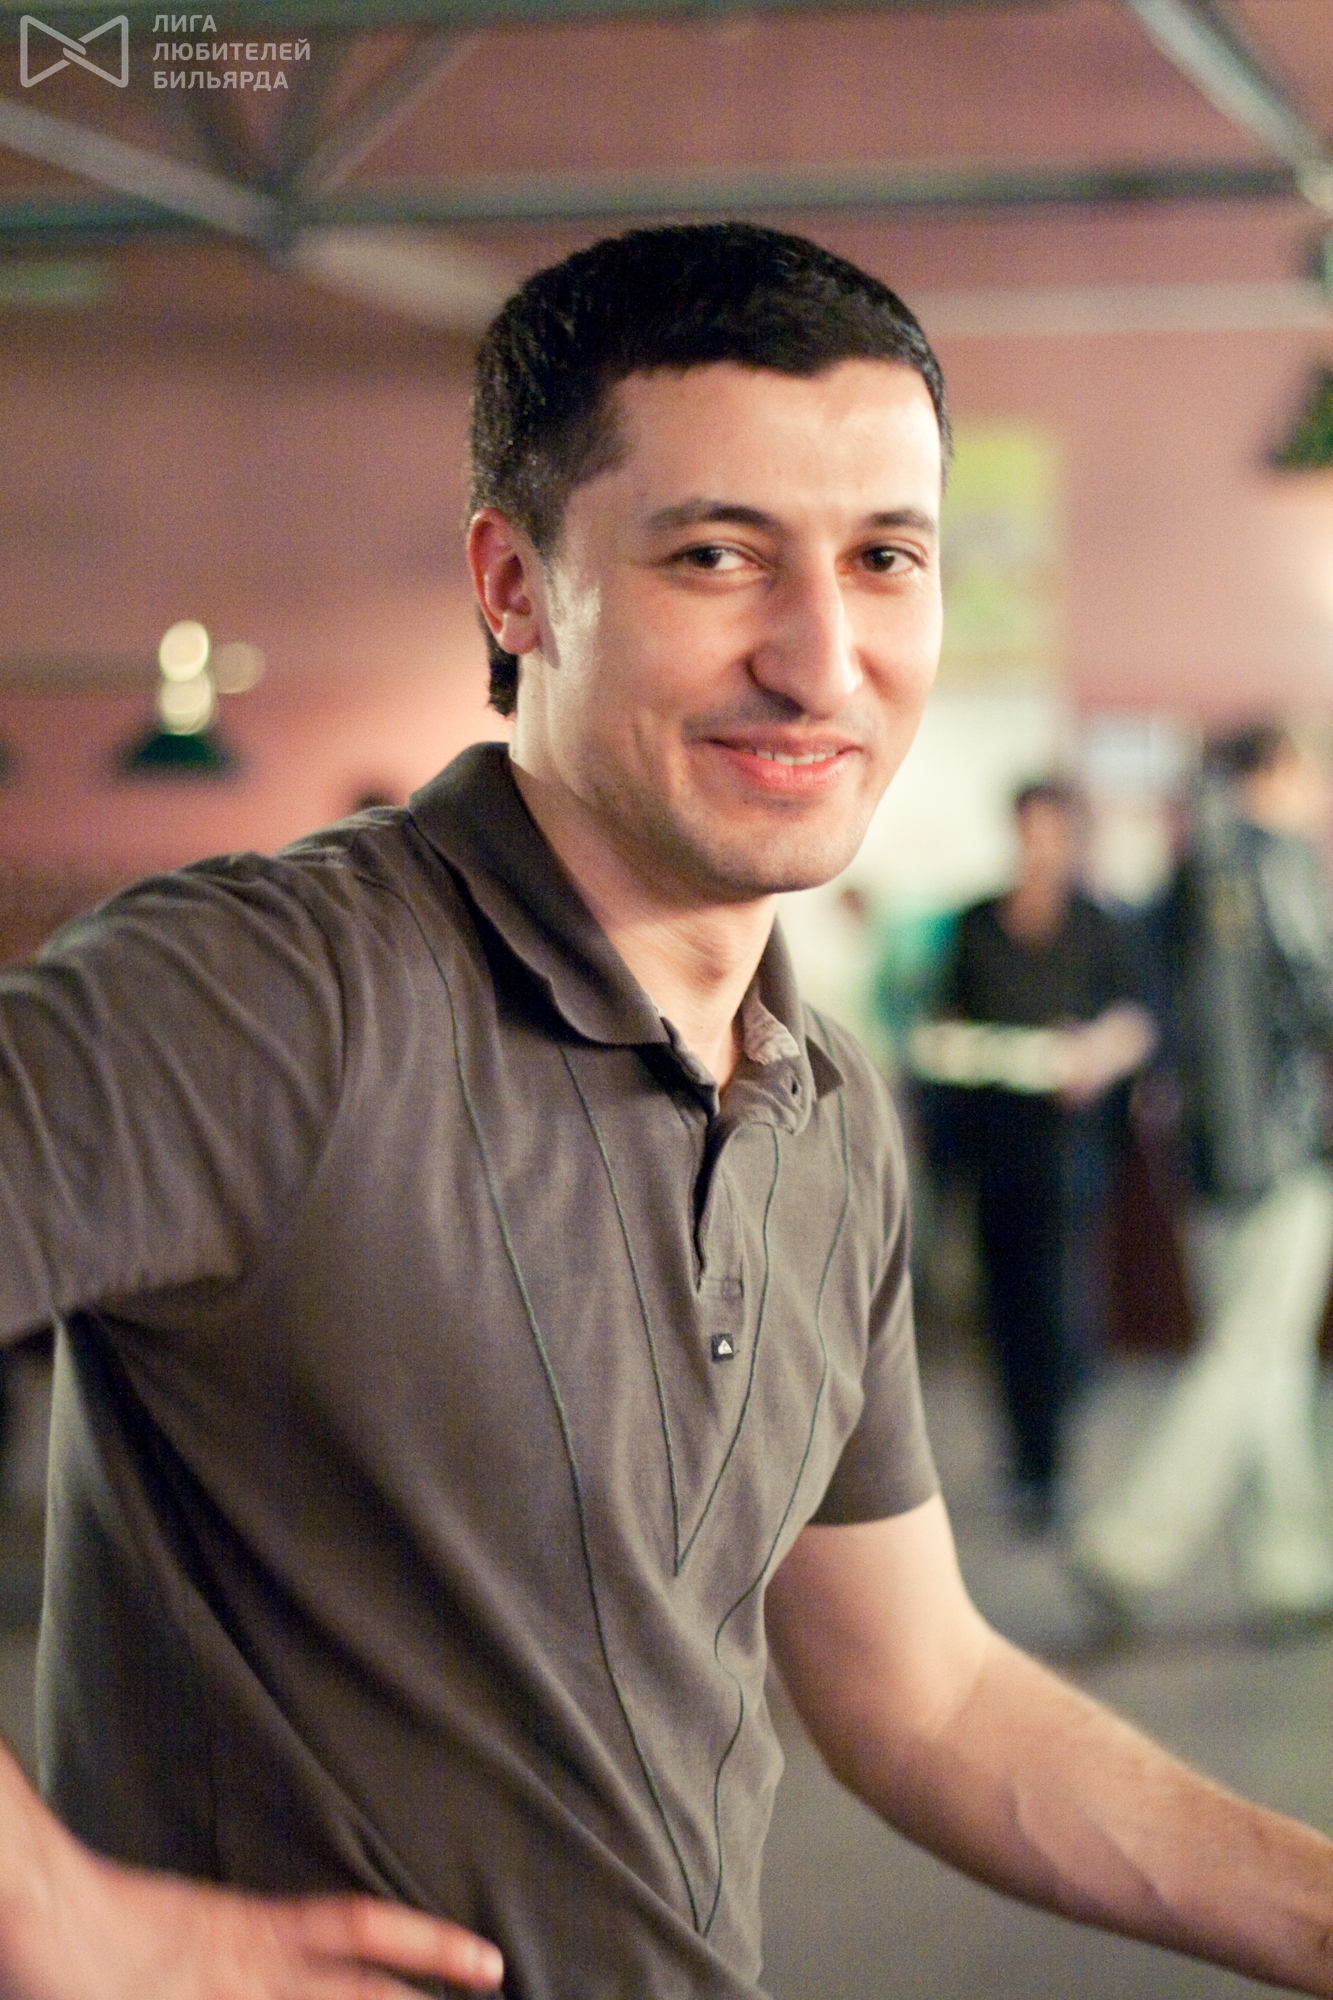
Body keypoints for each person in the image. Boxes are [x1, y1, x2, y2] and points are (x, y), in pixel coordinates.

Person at [1, 225, 1333, 2000]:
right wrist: (60, 1922)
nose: (820, 658)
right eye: (717, 556)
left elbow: (925, 1694)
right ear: (516, 586)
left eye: (883, 559)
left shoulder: (821, 1107)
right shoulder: (268, 991)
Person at [1076, 724, 1333, 1625]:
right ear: (1279, 768)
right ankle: (1128, 1543)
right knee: (1246, 1355)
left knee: (1269, 1358)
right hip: (1279, 1152)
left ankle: (1290, 1566)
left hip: (1209, 1152)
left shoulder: (1190, 869)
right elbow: (1316, 994)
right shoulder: (1277, 862)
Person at [915, 779, 1154, 1529]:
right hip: (993, 1140)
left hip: (1067, 1143)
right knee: (1000, 1300)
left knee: (1056, 1299)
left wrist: (1097, 1054)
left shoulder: (1099, 926)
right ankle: (1022, 1453)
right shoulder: (976, 923)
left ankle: (1052, 1461)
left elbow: (1139, 1020)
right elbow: (943, 1019)